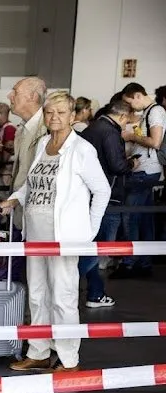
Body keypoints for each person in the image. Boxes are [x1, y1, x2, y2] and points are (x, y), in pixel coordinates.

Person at [0, 92, 110, 373]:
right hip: (35, 234)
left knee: (63, 296)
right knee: (36, 294)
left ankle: (68, 357)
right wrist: (15, 199)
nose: (54, 117)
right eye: (49, 112)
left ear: (73, 116)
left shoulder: (83, 150)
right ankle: (38, 351)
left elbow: (102, 190)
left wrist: (88, 232)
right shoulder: (43, 143)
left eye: (61, 112)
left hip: (64, 237)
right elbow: (32, 184)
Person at [80, 98, 132, 309]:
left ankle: (95, 291)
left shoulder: (92, 128)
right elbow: (117, 165)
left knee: (90, 247)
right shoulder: (110, 132)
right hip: (107, 196)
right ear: (122, 116)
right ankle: (72, 285)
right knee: (99, 247)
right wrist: (132, 162)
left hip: (88, 195)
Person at [114, 82, 164, 279]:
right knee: (144, 219)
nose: (130, 108)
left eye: (129, 103)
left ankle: (129, 262)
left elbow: (155, 142)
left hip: (145, 170)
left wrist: (130, 136)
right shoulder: (150, 112)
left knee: (130, 216)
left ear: (137, 96)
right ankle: (144, 262)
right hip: (147, 169)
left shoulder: (155, 112)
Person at [8, 76, 48, 193]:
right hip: (18, 203)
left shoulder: (48, 130)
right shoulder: (22, 128)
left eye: (15, 92)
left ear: (33, 96)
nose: (9, 96)